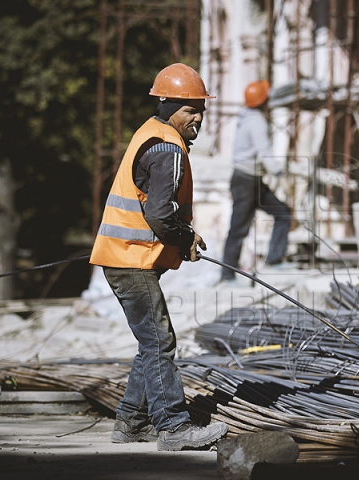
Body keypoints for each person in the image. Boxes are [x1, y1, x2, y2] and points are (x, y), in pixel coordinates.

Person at [89, 63, 228, 451]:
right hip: (131, 259)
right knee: (160, 343)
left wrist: (185, 235)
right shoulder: (167, 148)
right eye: (190, 110)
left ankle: (130, 424)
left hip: (127, 257)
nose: (197, 118)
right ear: (167, 105)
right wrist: (184, 237)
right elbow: (159, 214)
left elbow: (155, 207)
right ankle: (172, 427)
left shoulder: (151, 133)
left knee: (151, 341)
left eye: (201, 109)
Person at [219, 80, 292, 284]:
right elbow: (264, 151)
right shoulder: (257, 121)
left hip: (251, 180)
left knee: (283, 213)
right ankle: (227, 275)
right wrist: (278, 173)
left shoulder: (245, 116)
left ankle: (275, 259)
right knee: (239, 228)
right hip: (246, 182)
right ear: (264, 101)